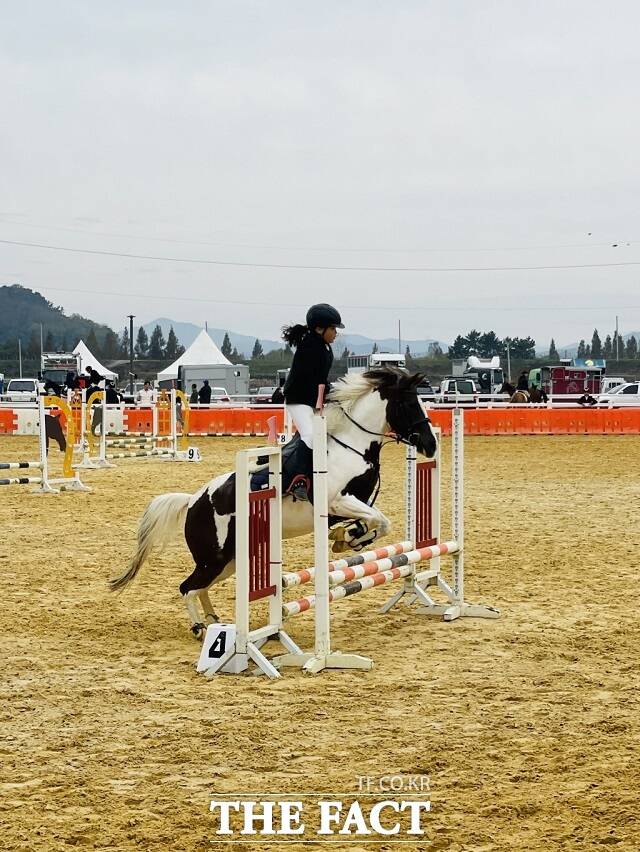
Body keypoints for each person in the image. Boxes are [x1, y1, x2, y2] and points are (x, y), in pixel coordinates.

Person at [281, 303, 343, 501]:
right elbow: (309, 380)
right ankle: (297, 481)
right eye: (333, 328)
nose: (335, 333)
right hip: (298, 399)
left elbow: (321, 380)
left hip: (312, 399)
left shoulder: (323, 347)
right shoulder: (310, 346)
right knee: (310, 436)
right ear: (319, 328)